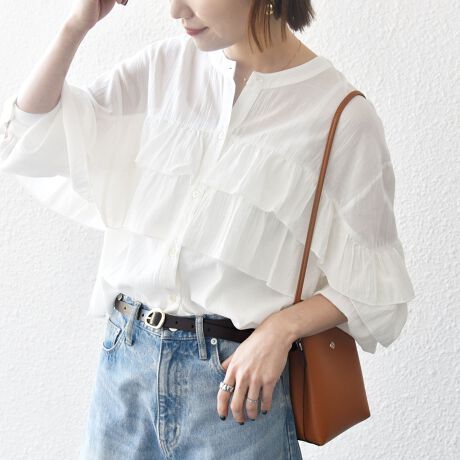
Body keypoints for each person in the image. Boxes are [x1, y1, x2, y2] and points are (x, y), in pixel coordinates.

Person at [0, 0, 416, 458]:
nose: (176, 9)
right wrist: (76, 25)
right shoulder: (164, 67)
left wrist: (281, 329)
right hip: (124, 372)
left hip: (233, 392)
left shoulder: (340, 116)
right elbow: (33, 137)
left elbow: (377, 290)